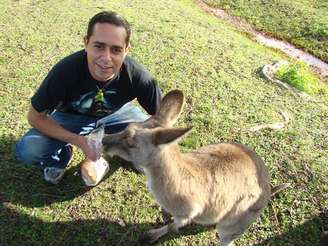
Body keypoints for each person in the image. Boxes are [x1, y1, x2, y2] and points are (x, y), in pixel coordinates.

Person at [15, 11, 163, 184]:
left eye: (116, 49)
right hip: (71, 117)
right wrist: (79, 141)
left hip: (117, 113)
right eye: (99, 46)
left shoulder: (139, 76)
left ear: (126, 50)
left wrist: (141, 141)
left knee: (151, 135)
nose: (106, 58)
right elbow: (34, 117)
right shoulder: (64, 72)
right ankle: (62, 157)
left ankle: (120, 153)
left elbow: (161, 118)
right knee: (30, 149)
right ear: (86, 43)